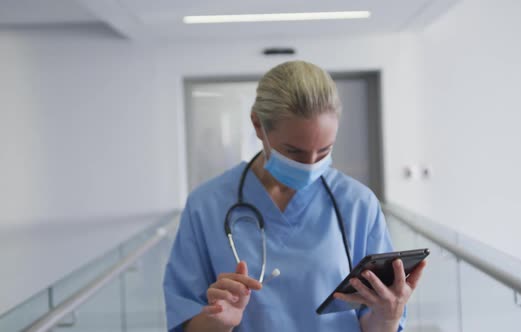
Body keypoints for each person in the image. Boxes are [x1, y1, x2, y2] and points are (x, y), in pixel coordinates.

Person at [163, 60, 426, 332]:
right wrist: (217, 321)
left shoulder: (358, 204)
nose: (310, 164)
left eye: (323, 151)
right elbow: (186, 321)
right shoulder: (207, 205)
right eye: (294, 152)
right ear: (257, 125)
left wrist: (389, 315)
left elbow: (375, 324)